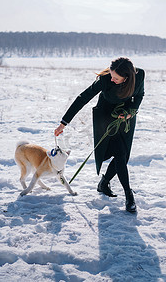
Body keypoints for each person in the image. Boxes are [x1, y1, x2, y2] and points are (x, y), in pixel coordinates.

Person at [55, 57, 145, 213]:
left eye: (116, 78)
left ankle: (104, 183)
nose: (112, 79)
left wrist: (130, 112)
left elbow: (139, 96)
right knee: (119, 154)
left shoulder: (139, 75)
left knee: (124, 157)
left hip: (126, 118)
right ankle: (129, 196)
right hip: (106, 118)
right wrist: (64, 122)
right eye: (111, 75)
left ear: (127, 77)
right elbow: (82, 98)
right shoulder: (105, 80)